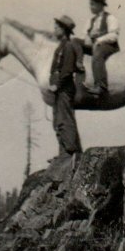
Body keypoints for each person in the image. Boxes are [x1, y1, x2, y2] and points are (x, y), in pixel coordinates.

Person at [48, 15, 83, 157]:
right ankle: (64, 153)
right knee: (57, 120)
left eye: (56, 28)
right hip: (58, 90)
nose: (54, 30)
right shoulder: (60, 47)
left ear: (63, 30)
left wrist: (57, 85)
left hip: (64, 89)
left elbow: (67, 70)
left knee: (65, 120)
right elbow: (54, 69)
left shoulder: (68, 46)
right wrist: (52, 83)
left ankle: (71, 153)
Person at [81, 0, 120, 96]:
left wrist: (99, 40)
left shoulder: (110, 18)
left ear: (100, 5)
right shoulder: (90, 21)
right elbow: (85, 35)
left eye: (93, 4)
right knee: (75, 43)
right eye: (90, 4)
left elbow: (113, 36)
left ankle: (101, 86)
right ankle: (78, 68)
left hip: (108, 46)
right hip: (93, 46)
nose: (90, 7)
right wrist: (87, 38)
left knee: (98, 53)